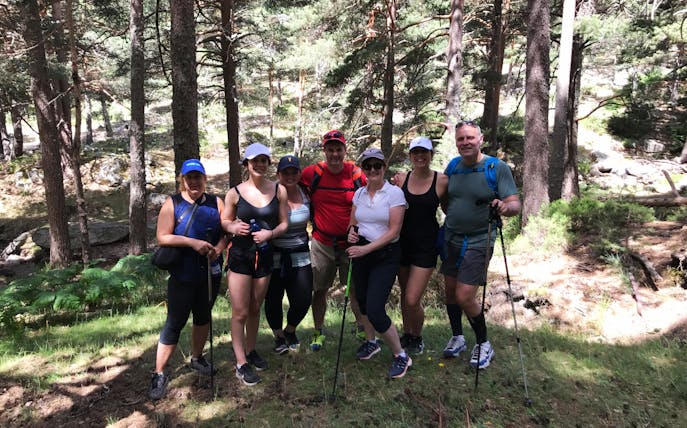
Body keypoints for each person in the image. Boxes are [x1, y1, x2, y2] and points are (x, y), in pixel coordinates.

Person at [441, 121, 520, 369]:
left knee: (465, 296)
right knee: (450, 292)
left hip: (479, 239)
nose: (465, 142)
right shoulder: (453, 166)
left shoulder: (496, 168)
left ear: (481, 139)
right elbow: (446, 198)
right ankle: (457, 337)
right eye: (461, 138)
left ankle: (484, 343)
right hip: (451, 236)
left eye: (470, 138)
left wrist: (504, 208)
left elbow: (515, 204)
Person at [149, 159, 228, 401]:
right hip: (182, 273)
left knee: (203, 316)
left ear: (205, 178)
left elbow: (226, 232)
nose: (194, 182)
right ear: (182, 179)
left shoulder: (217, 202)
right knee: (175, 321)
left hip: (209, 272)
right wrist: (192, 243)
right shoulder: (173, 203)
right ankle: (159, 373)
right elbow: (162, 237)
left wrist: (218, 248)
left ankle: (196, 358)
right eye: (189, 177)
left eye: (198, 177)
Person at [221, 143, 289, 386]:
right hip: (240, 255)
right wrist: (233, 227)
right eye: (254, 161)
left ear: (268, 163)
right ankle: (241, 363)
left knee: (255, 306)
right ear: (247, 164)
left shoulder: (279, 190)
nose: (259, 164)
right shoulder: (235, 193)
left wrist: (269, 235)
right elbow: (225, 221)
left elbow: (284, 223)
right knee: (240, 310)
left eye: (264, 160)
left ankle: (250, 350)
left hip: (265, 255)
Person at [346, 148, 412, 379]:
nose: (372, 170)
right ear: (363, 169)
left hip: (385, 254)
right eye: (368, 166)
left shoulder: (394, 194)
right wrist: (351, 234)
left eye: (377, 165)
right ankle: (371, 342)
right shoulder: (360, 194)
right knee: (362, 302)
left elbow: (394, 230)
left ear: (384, 167)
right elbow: (354, 222)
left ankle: (401, 356)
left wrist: (365, 248)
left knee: (375, 308)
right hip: (362, 251)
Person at [300, 130, 367, 351]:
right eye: (330, 149)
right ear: (324, 151)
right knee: (319, 289)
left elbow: (372, 196)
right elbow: (291, 186)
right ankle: (318, 332)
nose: (335, 154)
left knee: (356, 289)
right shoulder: (313, 173)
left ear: (345, 150)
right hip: (322, 242)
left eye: (339, 149)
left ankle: (361, 327)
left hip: (352, 244)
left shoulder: (356, 175)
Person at [392, 136, 449, 355]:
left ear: (430, 155)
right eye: (415, 152)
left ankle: (417, 336)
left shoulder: (442, 181)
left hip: (426, 246)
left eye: (424, 152)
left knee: (412, 298)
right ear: (410, 156)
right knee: (406, 294)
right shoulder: (401, 179)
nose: (420, 156)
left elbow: (449, 209)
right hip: (402, 243)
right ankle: (407, 335)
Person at [264, 155, 312, 354]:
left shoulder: (306, 192)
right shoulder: (270, 193)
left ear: (299, 173)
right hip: (273, 254)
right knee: (273, 298)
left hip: (300, 253)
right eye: (286, 172)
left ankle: (290, 329)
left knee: (303, 298)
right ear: (278, 174)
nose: (290, 176)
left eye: (294, 172)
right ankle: (278, 336)